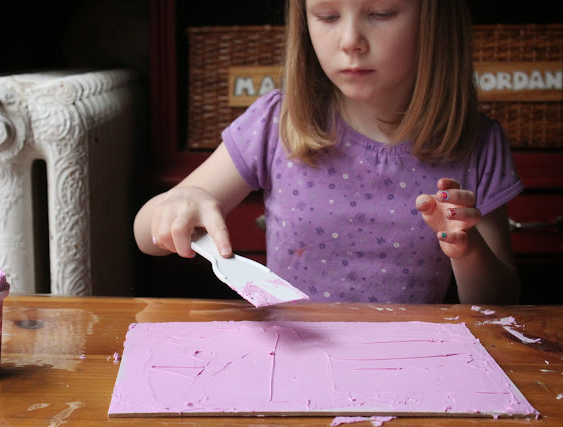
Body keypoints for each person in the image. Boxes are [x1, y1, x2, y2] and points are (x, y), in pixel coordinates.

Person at [134, 0, 523, 304]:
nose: (350, 40)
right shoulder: (276, 122)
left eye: (381, 13)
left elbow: (501, 302)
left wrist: (466, 250)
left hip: (407, 362)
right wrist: (179, 204)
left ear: (434, 20)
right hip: (293, 357)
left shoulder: (478, 142)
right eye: (327, 16)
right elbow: (144, 234)